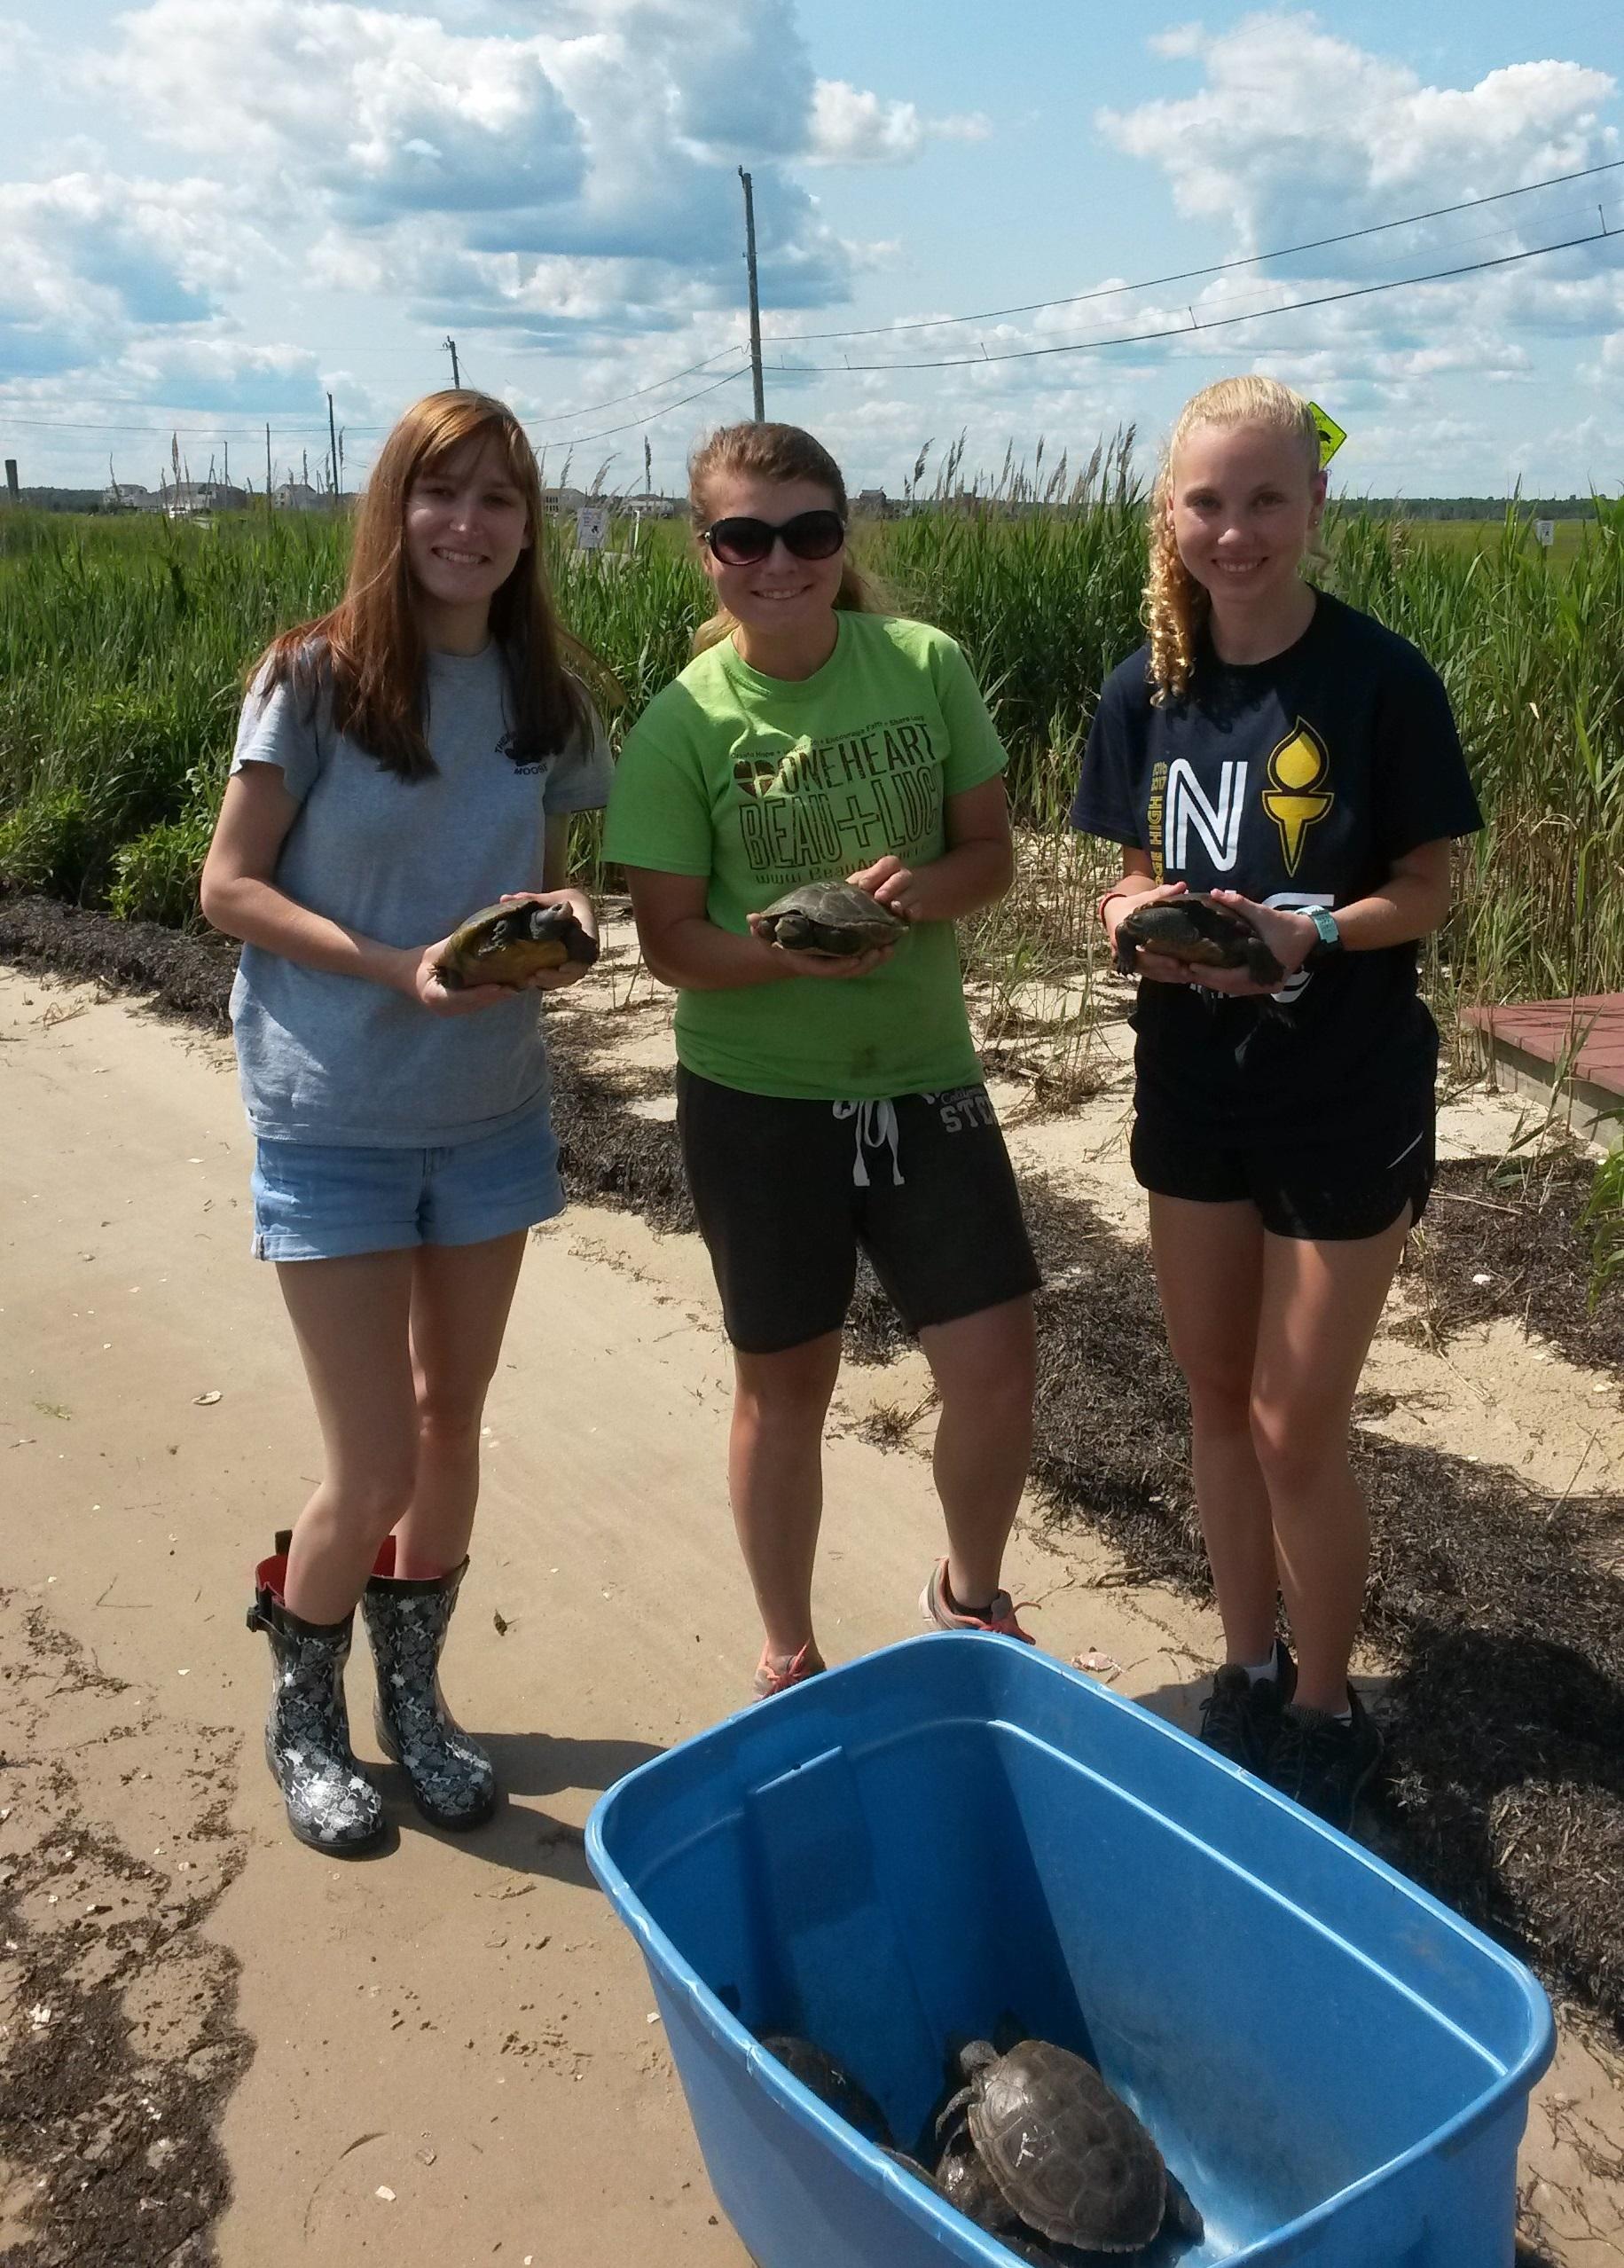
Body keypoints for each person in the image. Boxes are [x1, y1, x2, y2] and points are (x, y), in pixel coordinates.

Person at [200, 389, 612, 1855]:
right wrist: (396, 966)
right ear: (396, 506)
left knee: (452, 1428)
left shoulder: (547, 691)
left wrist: (566, 916)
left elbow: (560, 874)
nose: (471, 523)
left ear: (528, 526)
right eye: (444, 492)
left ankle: (417, 1700)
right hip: (333, 1112)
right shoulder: (313, 678)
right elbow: (228, 885)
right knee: (369, 1459)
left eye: (501, 498)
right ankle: (305, 1712)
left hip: (488, 1112)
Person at [1073, 375, 1482, 1830]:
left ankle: (1325, 1697)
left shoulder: (1381, 680)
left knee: (1292, 1416)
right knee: (1210, 1394)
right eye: (1207, 501)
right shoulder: (1149, 689)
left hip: (1346, 1087)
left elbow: (1427, 884)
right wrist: (1143, 918)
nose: (1235, 530)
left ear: (1315, 506)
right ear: (1170, 517)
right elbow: (1119, 873)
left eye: (1264, 499)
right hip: (1194, 1086)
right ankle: (1245, 1664)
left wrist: (1315, 934)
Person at [604, 420, 1040, 1700]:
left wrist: (922, 892)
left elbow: (993, 856)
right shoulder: (683, 724)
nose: (778, 560)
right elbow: (672, 942)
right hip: (759, 1095)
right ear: (707, 554)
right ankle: (788, 1651)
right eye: (746, 536)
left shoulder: (924, 665)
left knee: (997, 1367)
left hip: (922, 1070)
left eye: (808, 532)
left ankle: (969, 1596)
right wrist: (788, 957)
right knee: (785, 1383)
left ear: (843, 539)